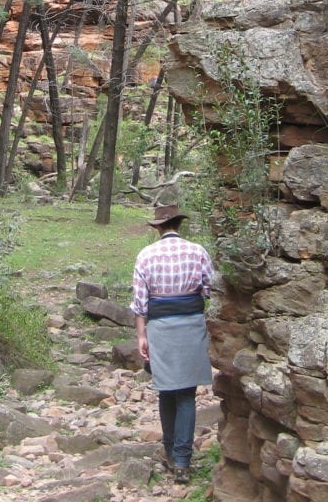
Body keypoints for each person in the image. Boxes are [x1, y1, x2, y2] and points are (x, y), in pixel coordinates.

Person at [130, 203, 214, 485]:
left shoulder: (146, 256)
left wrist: (141, 336)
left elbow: (140, 304)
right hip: (191, 324)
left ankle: (170, 451)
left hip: (161, 328)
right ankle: (182, 461)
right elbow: (208, 289)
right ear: (179, 224)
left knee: (166, 390)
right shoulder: (198, 251)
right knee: (186, 394)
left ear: (158, 228)